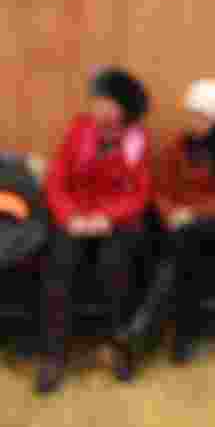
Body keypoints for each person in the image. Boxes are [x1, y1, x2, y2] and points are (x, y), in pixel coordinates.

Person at [36, 68, 151, 394]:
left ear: (124, 109)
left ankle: (117, 347)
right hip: (74, 217)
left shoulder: (137, 139)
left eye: (107, 102)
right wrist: (70, 216)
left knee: (115, 268)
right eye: (97, 101)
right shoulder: (79, 130)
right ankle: (53, 356)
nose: (99, 108)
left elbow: (140, 192)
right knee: (59, 267)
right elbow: (56, 179)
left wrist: (107, 218)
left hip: (114, 221)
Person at [122, 80, 215, 364]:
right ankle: (178, 338)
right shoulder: (177, 146)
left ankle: (143, 330)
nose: (194, 121)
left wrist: (192, 214)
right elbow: (160, 190)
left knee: (185, 244)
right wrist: (171, 214)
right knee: (181, 253)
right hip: (178, 225)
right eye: (192, 115)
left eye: (201, 116)